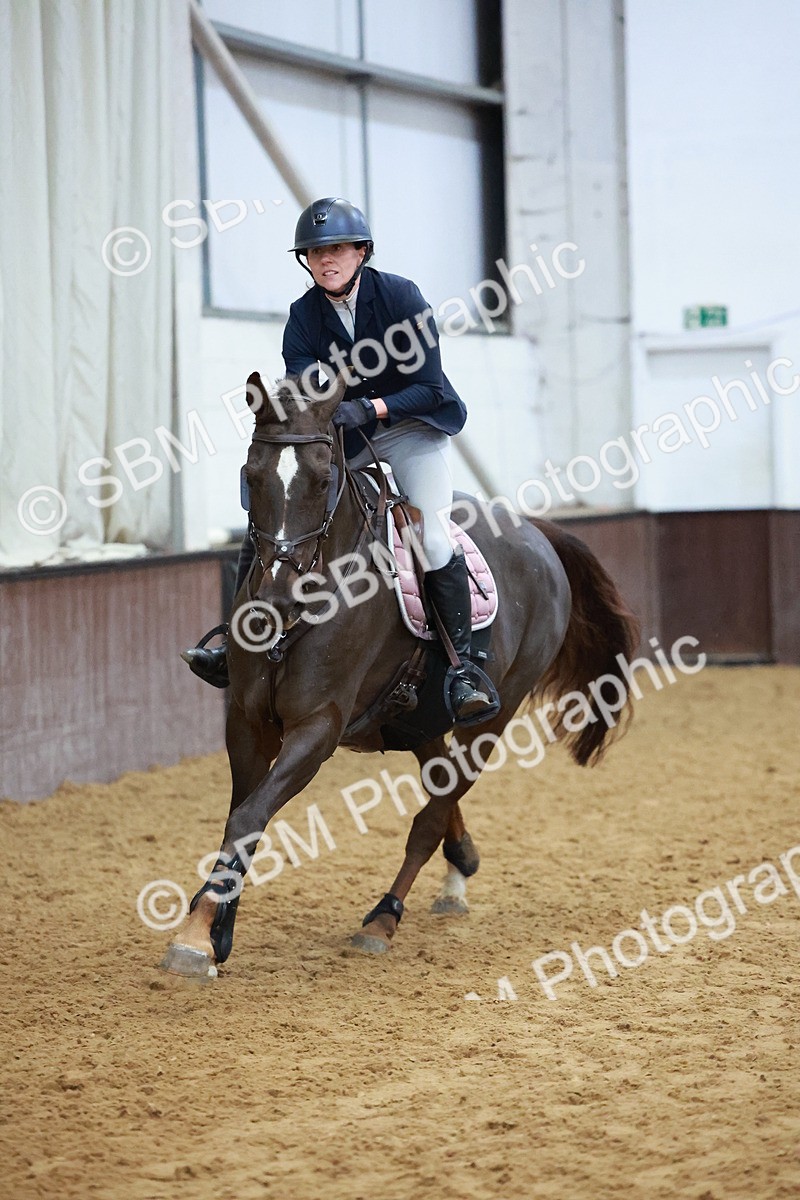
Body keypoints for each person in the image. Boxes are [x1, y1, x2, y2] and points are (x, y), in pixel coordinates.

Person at [183, 196, 492, 722]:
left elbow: (428, 386)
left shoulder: (399, 296)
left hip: (410, 428)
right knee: (273, 518)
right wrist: (310, 413)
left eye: (338, 249)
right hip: (342, 436)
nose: (326, 260)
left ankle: (465, 667)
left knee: (433, 535)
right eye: (315, 252)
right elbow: (306, 385)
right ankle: (234, 645)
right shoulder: (304, 315)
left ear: (361, 252)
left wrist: (368, 406)